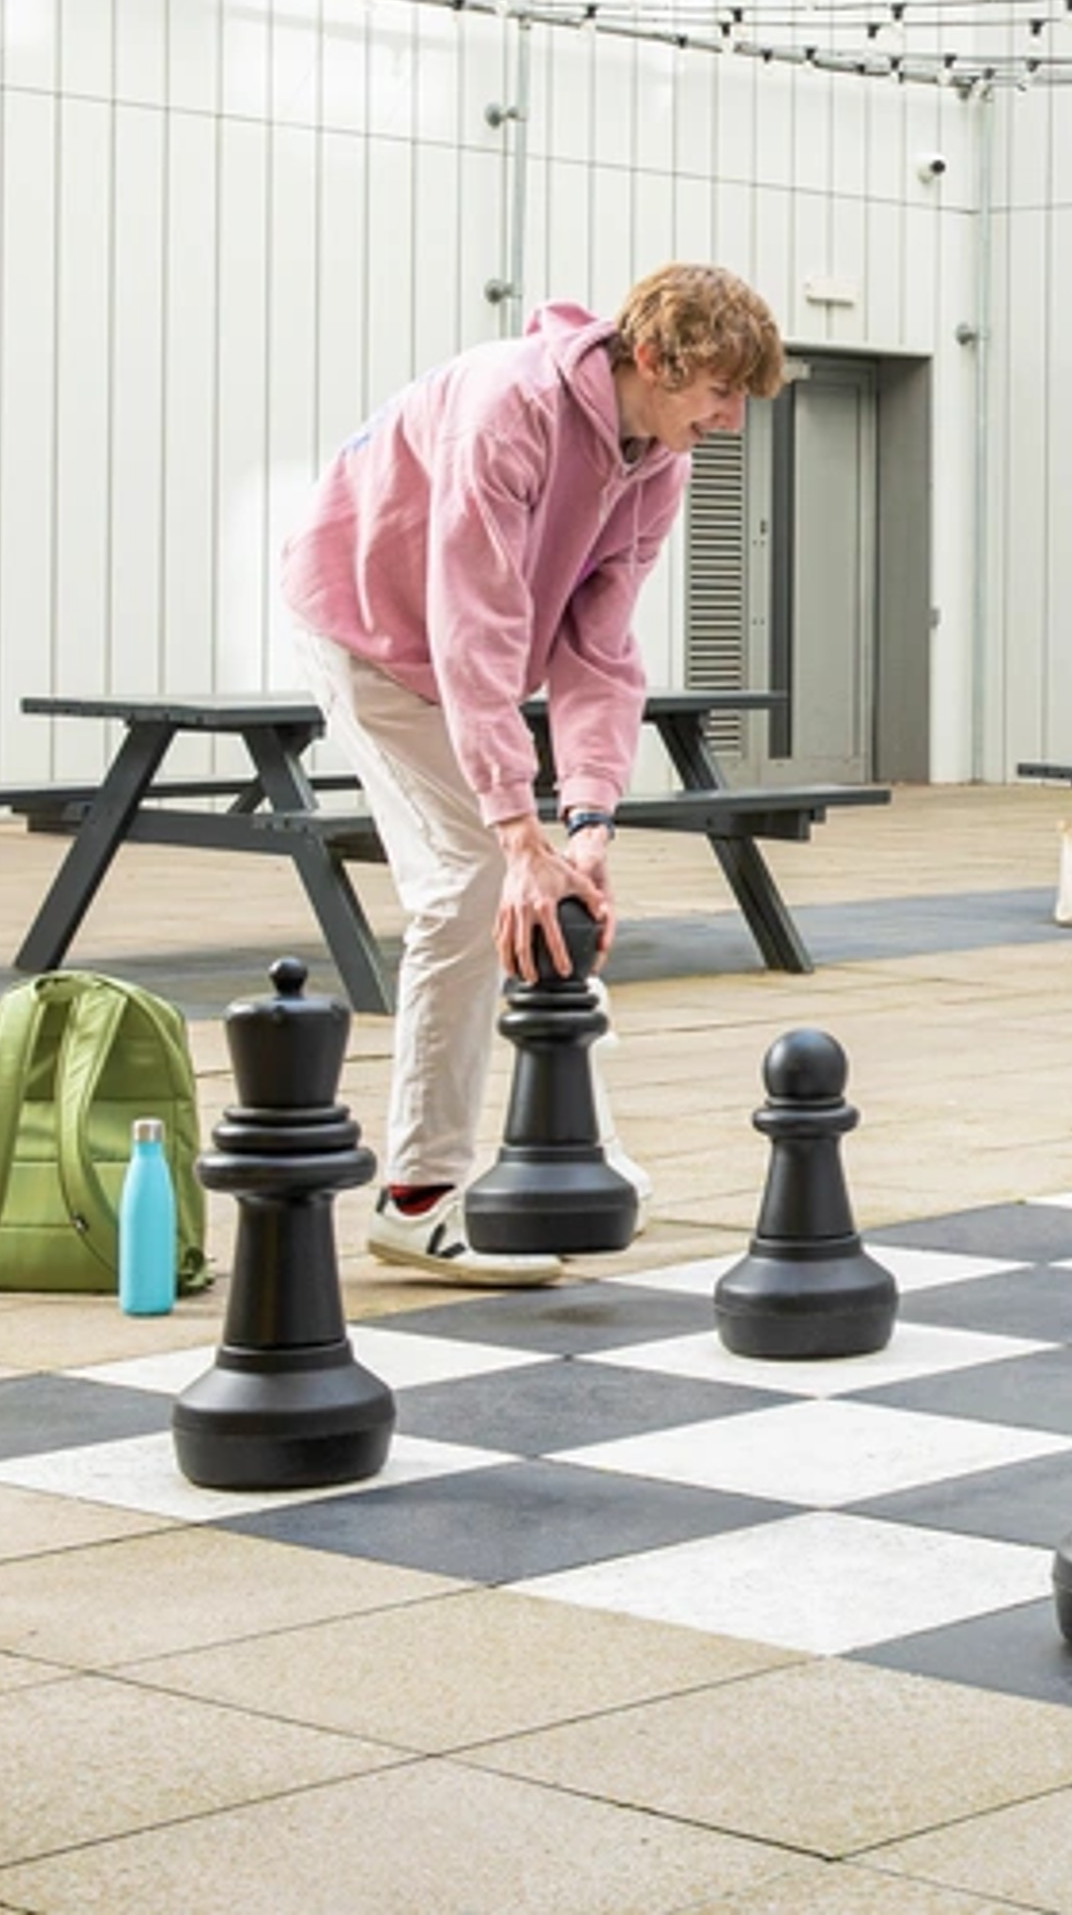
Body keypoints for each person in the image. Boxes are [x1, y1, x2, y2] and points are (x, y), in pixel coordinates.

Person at [280, 264, 785, 1280]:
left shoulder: (658, 460)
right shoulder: (508, 407)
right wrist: (516, 826)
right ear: (657, 359)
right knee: (473, 885)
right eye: (721, 393)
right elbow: (475, 625)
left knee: (562, 883)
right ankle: (417, 1198)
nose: (732, 419)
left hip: (461, 651)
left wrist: (589, 817)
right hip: (369, 631)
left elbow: (599, 645)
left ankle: (570, 1146)